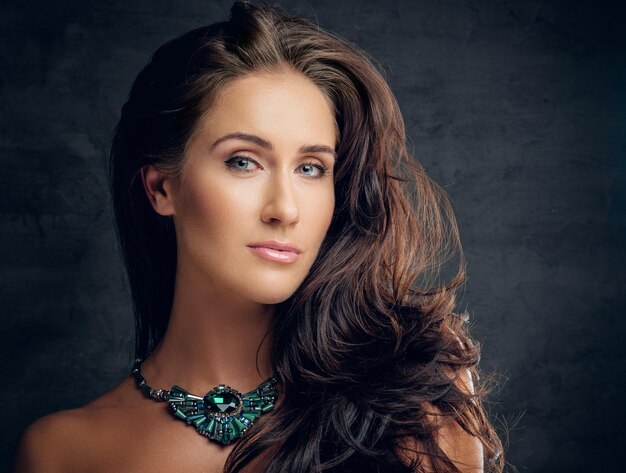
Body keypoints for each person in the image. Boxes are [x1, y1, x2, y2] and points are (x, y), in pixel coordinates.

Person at [12, 1, 504, 472]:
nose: (285, 209)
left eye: (311, 168)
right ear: (162, 187)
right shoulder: (63, 451)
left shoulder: (415, 400)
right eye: (243, 161)